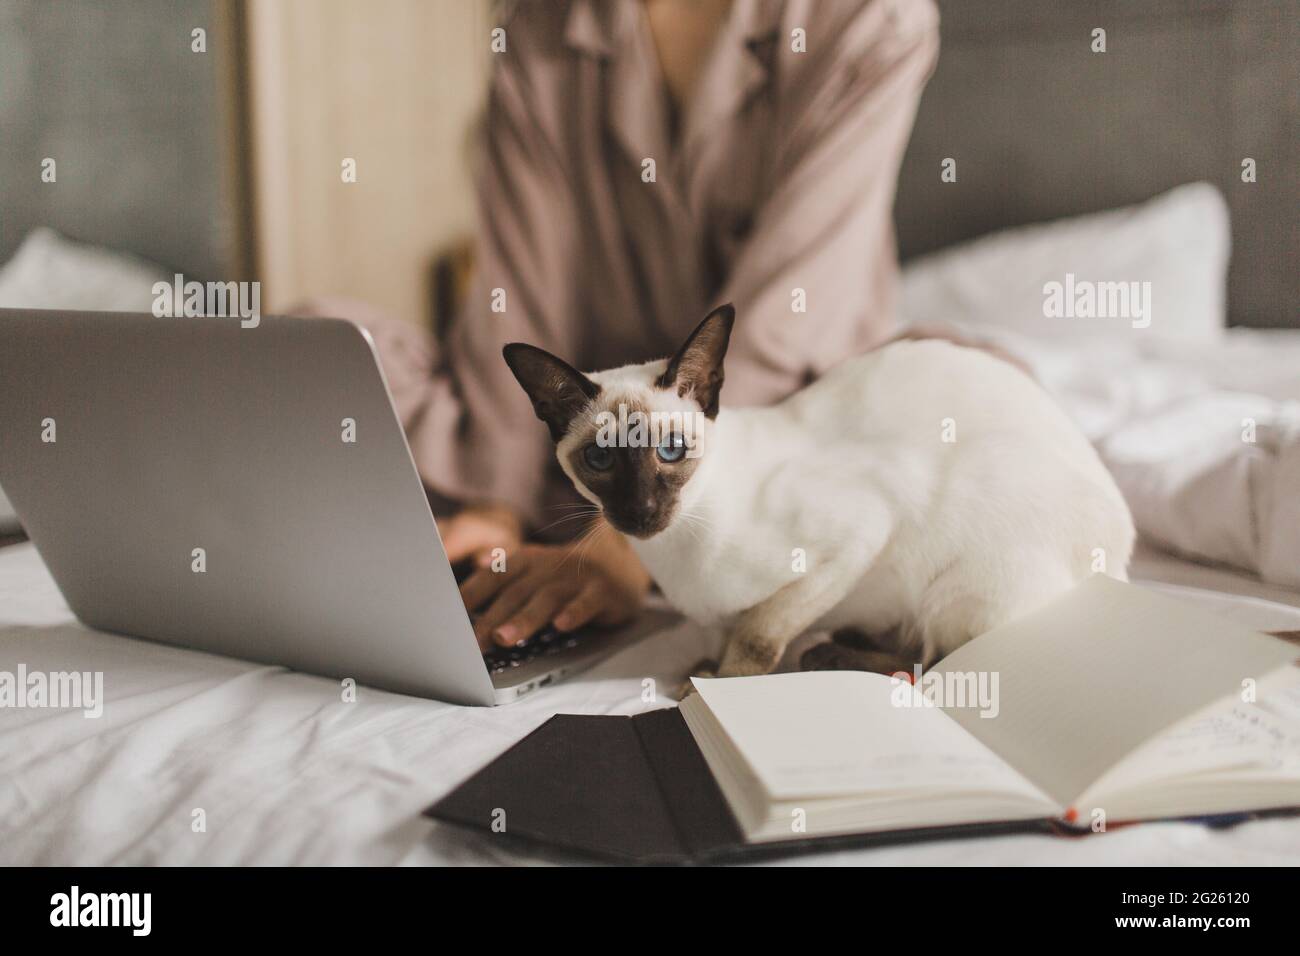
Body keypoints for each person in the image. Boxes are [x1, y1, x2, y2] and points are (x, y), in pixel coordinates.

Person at [317, 0, 941, 652]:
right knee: (322, 343)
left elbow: (790, 312)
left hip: (782, 413)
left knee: (971, 390)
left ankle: (616, 533)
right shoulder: (540, 21)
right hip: (589, 421)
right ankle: (531, 516)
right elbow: (520, 291)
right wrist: (492, 507)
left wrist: (625, 545)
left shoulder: (870, 19)